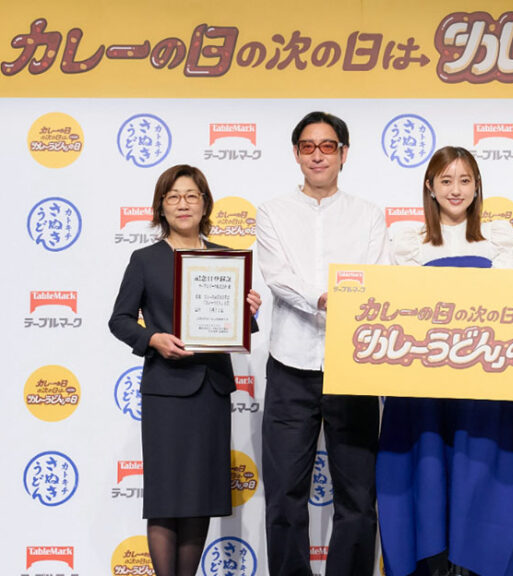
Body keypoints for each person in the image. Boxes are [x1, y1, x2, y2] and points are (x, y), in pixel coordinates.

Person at [377, 146, 513, 576]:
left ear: (477, 186)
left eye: (464, 180)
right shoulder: (407, 240)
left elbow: (510, 305)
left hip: (484, 387)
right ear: (430, 187)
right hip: (422, 388)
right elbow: (397, 306)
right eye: (446, 180)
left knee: (479, 477)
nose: (455, 190)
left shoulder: (498, 237)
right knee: (427, 476)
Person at [109, 164, 261, 576]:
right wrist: (153, 339)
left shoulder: (226, 259)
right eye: (174, 196)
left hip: (211, 391)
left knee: (199, 497)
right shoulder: (144, 259)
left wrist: (248, 312)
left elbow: (235, 327)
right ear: (161, 206)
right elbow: (120, 320)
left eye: (192, 195)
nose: (183, 203)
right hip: (165, 391)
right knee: (166, 498)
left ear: (205, 204)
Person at [255, 111, 386, 576]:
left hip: (353, 366)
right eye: (308, 146)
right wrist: (327, 299)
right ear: (296, 153)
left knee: (358, 497)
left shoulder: (368, 215)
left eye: (328, 146)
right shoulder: (272, 212)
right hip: (291, 365)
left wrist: (349, 301)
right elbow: (278, 277)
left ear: (343, 154)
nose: (318, 155)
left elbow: (375, 278)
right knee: (284, 494)